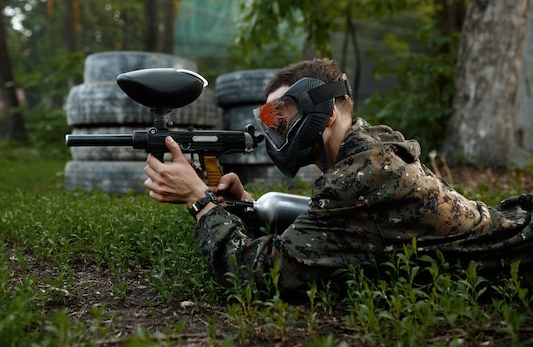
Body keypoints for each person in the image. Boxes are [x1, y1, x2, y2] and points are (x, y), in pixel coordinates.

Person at [143, 58, 533, 292]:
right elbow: (330, 229)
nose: (274, 129)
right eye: (268, 120)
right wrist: (243, 207)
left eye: (281, 116)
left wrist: (200, 203)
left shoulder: (362, 177)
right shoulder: (369, 151)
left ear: (324, 111)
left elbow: (264, 273)